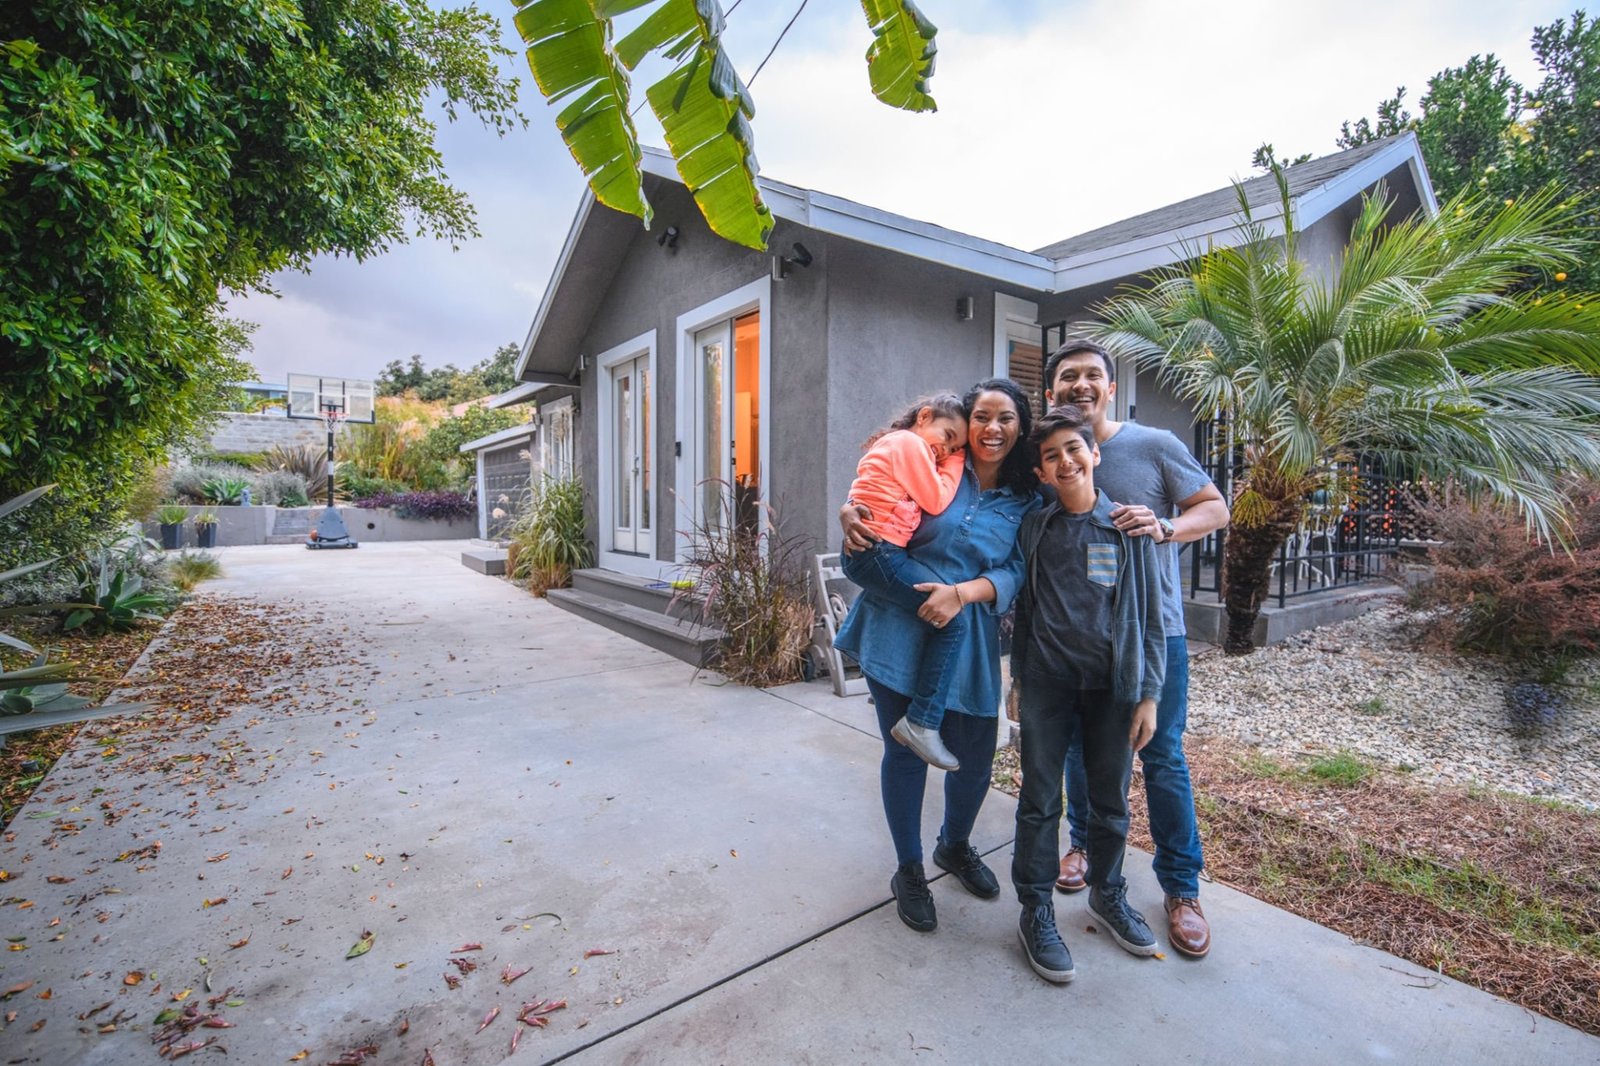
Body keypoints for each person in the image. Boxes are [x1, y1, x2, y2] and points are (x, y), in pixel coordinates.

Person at [1043, 338, 1230, 960]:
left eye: (1092, 375)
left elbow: (1214, 507)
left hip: (1157, 630)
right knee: (1079, 746)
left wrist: (1166, 527)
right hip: (1079, 637)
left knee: (1162, 756)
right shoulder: (1048, 455)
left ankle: (1181, 889)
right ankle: (1085, 845)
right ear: (1052, 391)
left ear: (1110, 386)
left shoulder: (1154, 445)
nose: (1080, 385)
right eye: (1068, 377)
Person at [834, 378, 1040, 934]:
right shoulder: (938, 460)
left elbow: (1019, 571)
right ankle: (908, 869)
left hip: (967, 630)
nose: (991, 429)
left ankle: (955, 845)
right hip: (897, 625)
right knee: (903, 751)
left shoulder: (1026, 498)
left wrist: (965, 593)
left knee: (974, 754)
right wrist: (850, 511)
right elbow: (877, 491)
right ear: (965, 424)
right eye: (981, 417)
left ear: (1020, 430)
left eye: (1006, 420)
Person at [1010, 405, 1164, 983]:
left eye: (1074, 449)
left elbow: (1148, 616)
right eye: (1051, 456)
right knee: (1040, 799)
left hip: (1112, 689)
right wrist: (1020, 681)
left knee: (1110, 801)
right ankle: (1036, 909)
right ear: (1043, 472)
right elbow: (1025, 612)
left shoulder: (1126, 527)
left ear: (1095, 453)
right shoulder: (1037, 528)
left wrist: (1148, 694)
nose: (1065, 461)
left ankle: (1108, 891)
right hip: (1048, 683)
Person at [841, 393, 971, 771]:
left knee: (940, 618)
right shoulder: (910, 443)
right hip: (878, 552)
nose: (945, 450)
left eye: (955, 447)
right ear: (924, 416)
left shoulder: (899, 445)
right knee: (953, 621)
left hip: (874, 552)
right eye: (947, 437)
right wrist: (960, 460)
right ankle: (922, 722)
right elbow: (937, 499)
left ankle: (899, 696)